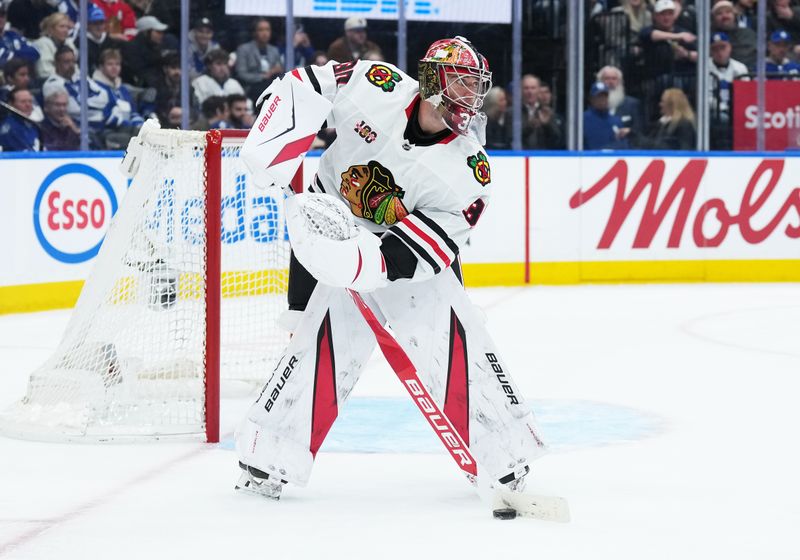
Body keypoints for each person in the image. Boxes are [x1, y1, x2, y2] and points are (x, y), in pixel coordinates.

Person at [233, 37, 547, 505]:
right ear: (434, 80)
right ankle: (270, 454)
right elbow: (311, 85)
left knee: (455, 343)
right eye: (463, 82)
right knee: (315, 341)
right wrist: (273, 140)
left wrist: (366, 262)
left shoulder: (470, 167)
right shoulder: (378, 84)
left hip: (401, 255)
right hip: (327, 225)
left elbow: (433, 244)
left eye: (477, 87)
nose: (473, 97)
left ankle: (504, 456)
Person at [709, 31, 748, 150]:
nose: (720, 52)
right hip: (713, 112)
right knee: (720, 119)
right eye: (715, 49)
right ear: (711, 51)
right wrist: (721, 108)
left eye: (723, 47)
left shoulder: (740, 68)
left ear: (730, 48)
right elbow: (705, 97)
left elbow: (746, 95)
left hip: (737, 111)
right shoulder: (704, 67)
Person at [235, 18, 283, 102]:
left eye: (267, 30)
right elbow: (241, 74)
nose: (265, 33)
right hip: (251, 88)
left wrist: (277, 70)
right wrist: (263, 76)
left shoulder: (274, 50)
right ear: (254, 33)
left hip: (271, 87)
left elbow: (279, 70)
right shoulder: (243, 49)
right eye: (261, 30)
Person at [597, 65, 643, 142]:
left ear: (620, 81)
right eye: (607, 79)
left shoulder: (632, 104)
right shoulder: (594, 106)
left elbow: (640, 130)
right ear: (600, 81)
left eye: (614, 79)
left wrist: (629, 131)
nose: (610, 82)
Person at [121, 15, 168, 87]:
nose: (161, 35)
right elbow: (138, 71)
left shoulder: (155, 47)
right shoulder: (131, 48)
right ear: (146, 32)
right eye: (158, 32)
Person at [520, 74, 563, 149]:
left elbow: (557, 140)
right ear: (521, 90)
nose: (530, 91)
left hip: (543, 158)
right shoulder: (512, 113)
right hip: (519, 157)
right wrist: (530, 127)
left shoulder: (547, 112)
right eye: (526, 88)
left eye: (533, 88)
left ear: (538, 90)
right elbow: (510, 138)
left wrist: (547, 125)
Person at [583, 81, 630, 150]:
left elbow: (623, 146)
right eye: (599, 97)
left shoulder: (616, 121)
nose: (602, 100)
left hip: (611, 159)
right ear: (591, 99)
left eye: (605, 96)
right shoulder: (582, 120)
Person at [712, 0, 757, 69]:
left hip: (747, 74)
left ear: (734, 15)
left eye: (728, 12)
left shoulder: (748, 34)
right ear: (714, 18)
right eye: (719, 13)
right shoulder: (709, 37)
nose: (724, 16)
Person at [32, 12, 77, 80]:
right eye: (62, 26)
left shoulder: (69, 43)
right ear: (51, 29)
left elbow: (75, 69)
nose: (65, 30)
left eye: (67, 27)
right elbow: (45, 72)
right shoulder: (42, 43)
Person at [86, 4, 124, 72]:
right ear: (88, 25)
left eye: (101, 23)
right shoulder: (81, 43)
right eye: (95, 23)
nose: (99, 27)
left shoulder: (112, 42)